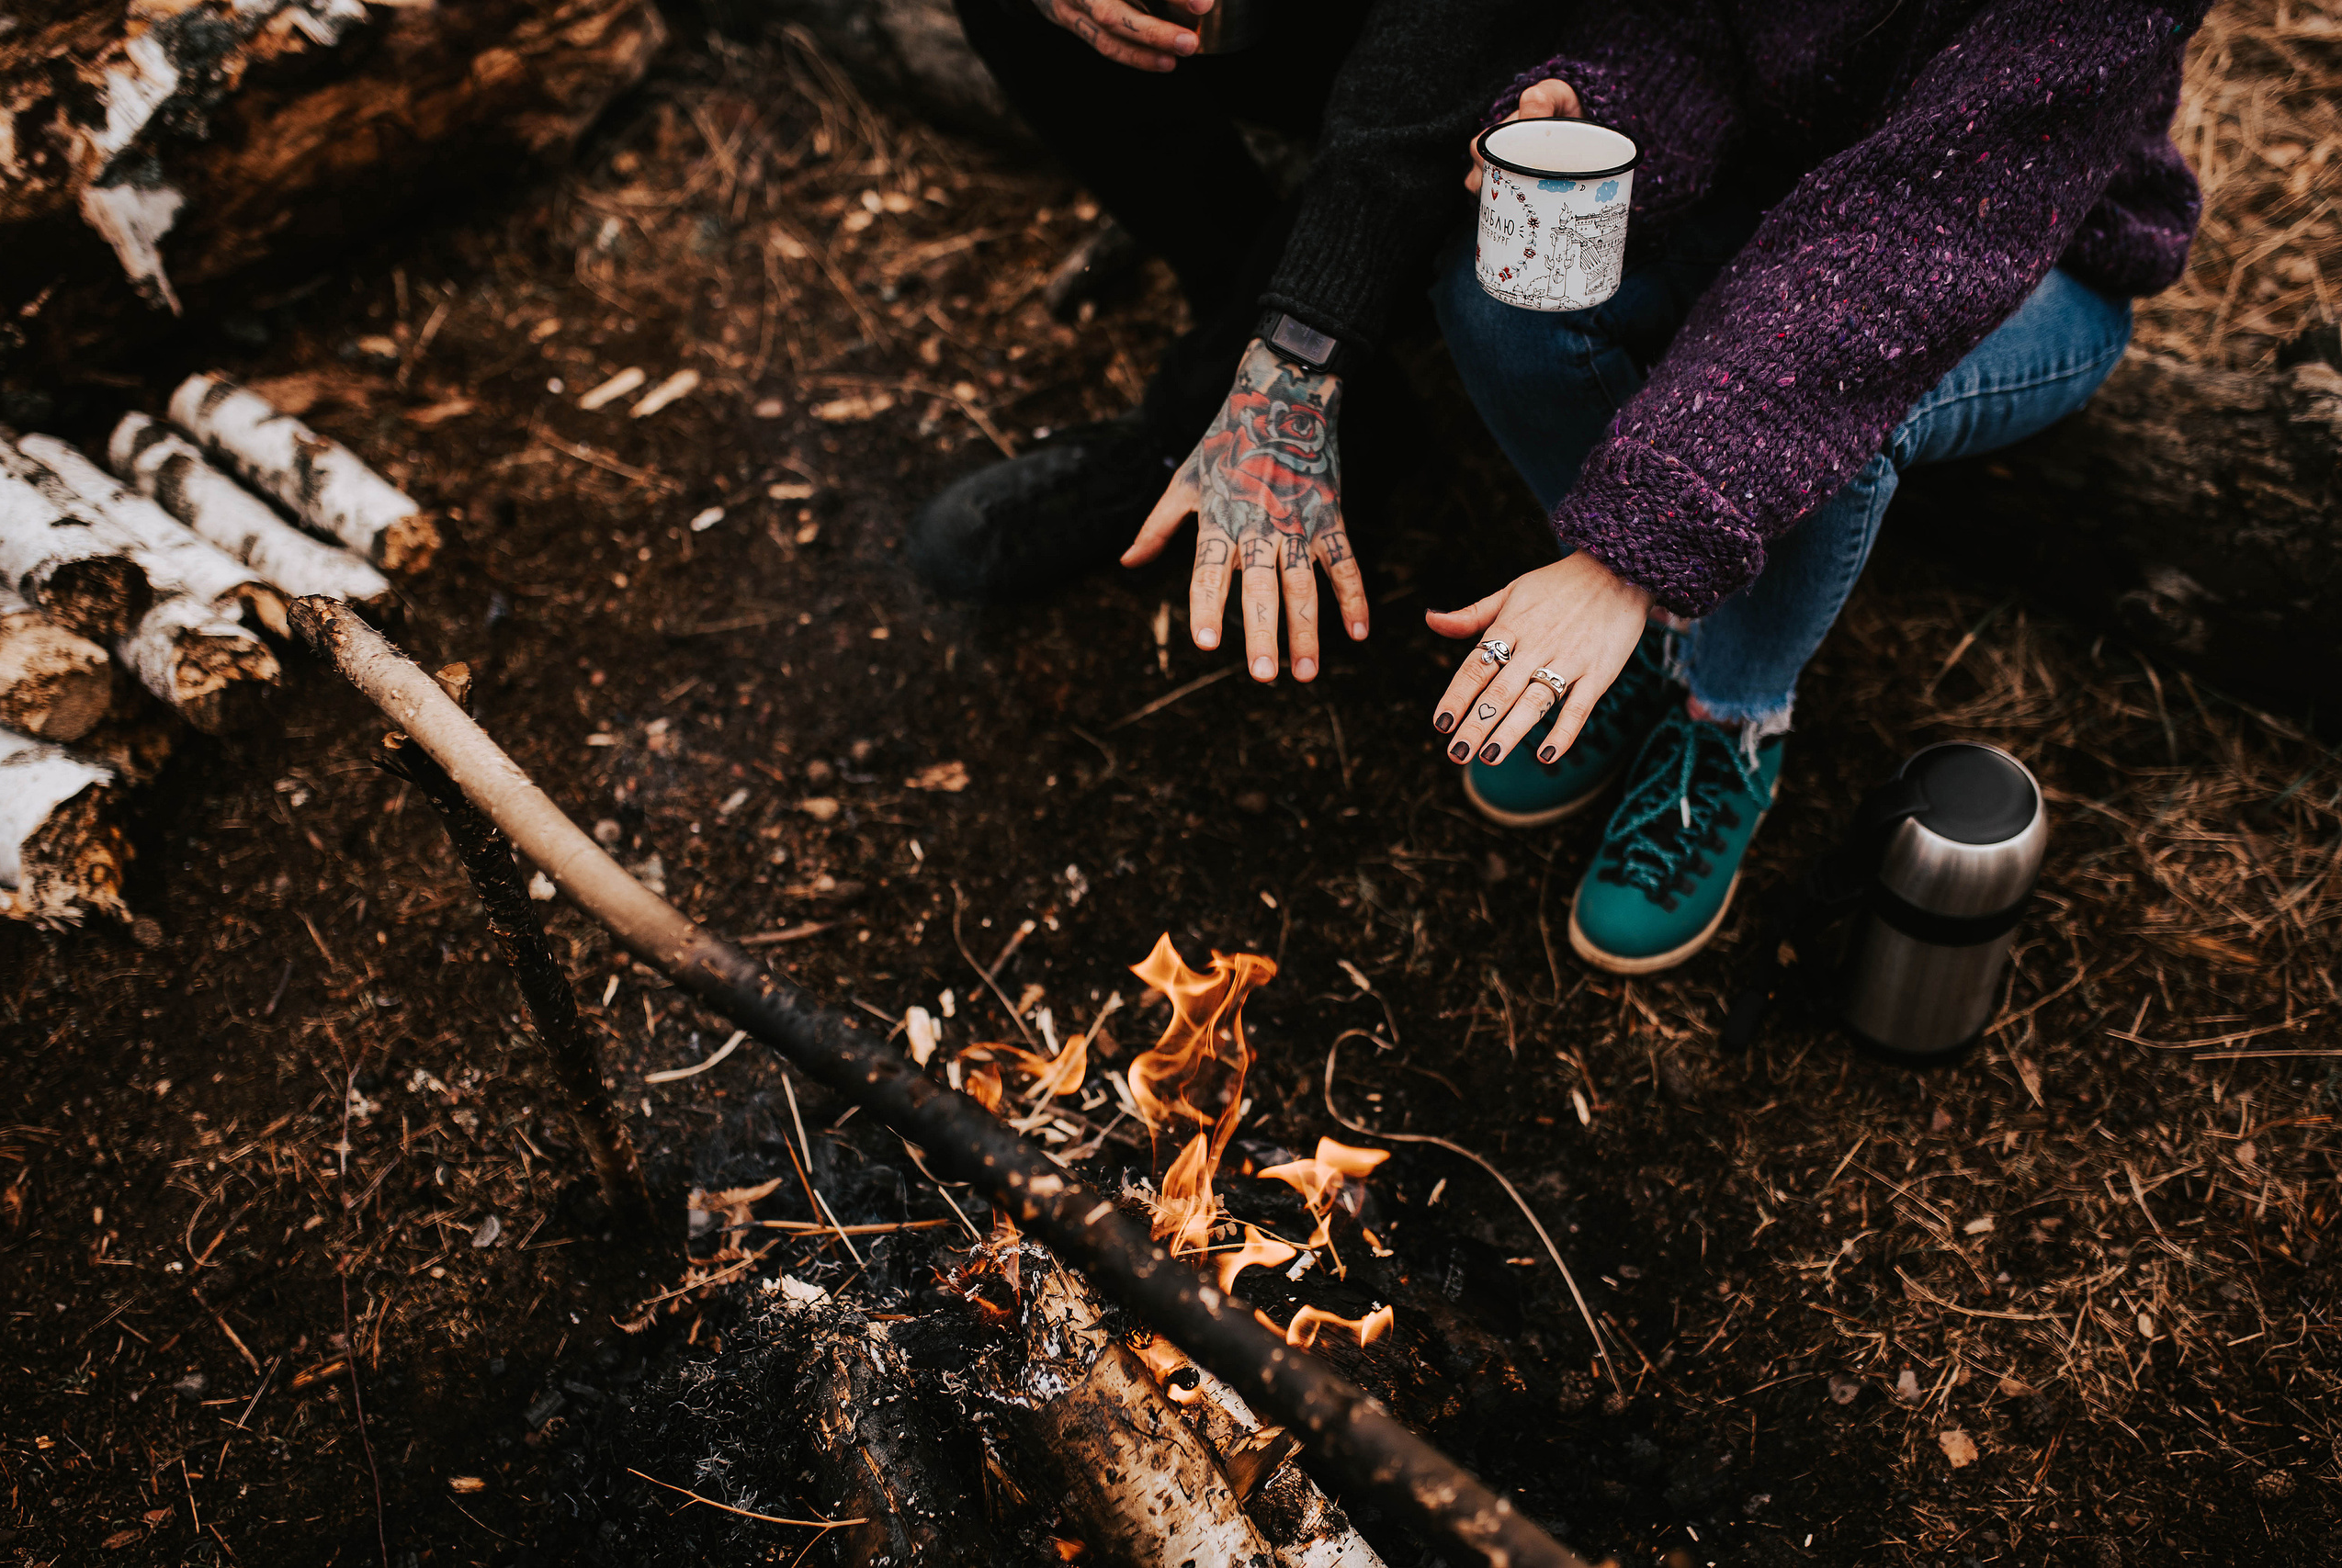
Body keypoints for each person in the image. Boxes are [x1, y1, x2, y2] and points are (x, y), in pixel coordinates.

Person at [1120, 0, 2205, 976]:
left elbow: (1913, 239)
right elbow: (1689, 28)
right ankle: (1665, 631)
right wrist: (1597, 109)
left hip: (2021, 260)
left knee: (1824, 418)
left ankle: (1728, 715)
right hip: (1775, 187)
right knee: (1505, 294)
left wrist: (1628, 548)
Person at [913, 0, 1567, 687]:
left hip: (1514, 51)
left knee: (1478, 99)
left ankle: (1224, 403)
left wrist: (1300, 352)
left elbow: (1452, 36)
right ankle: (1263, 356)